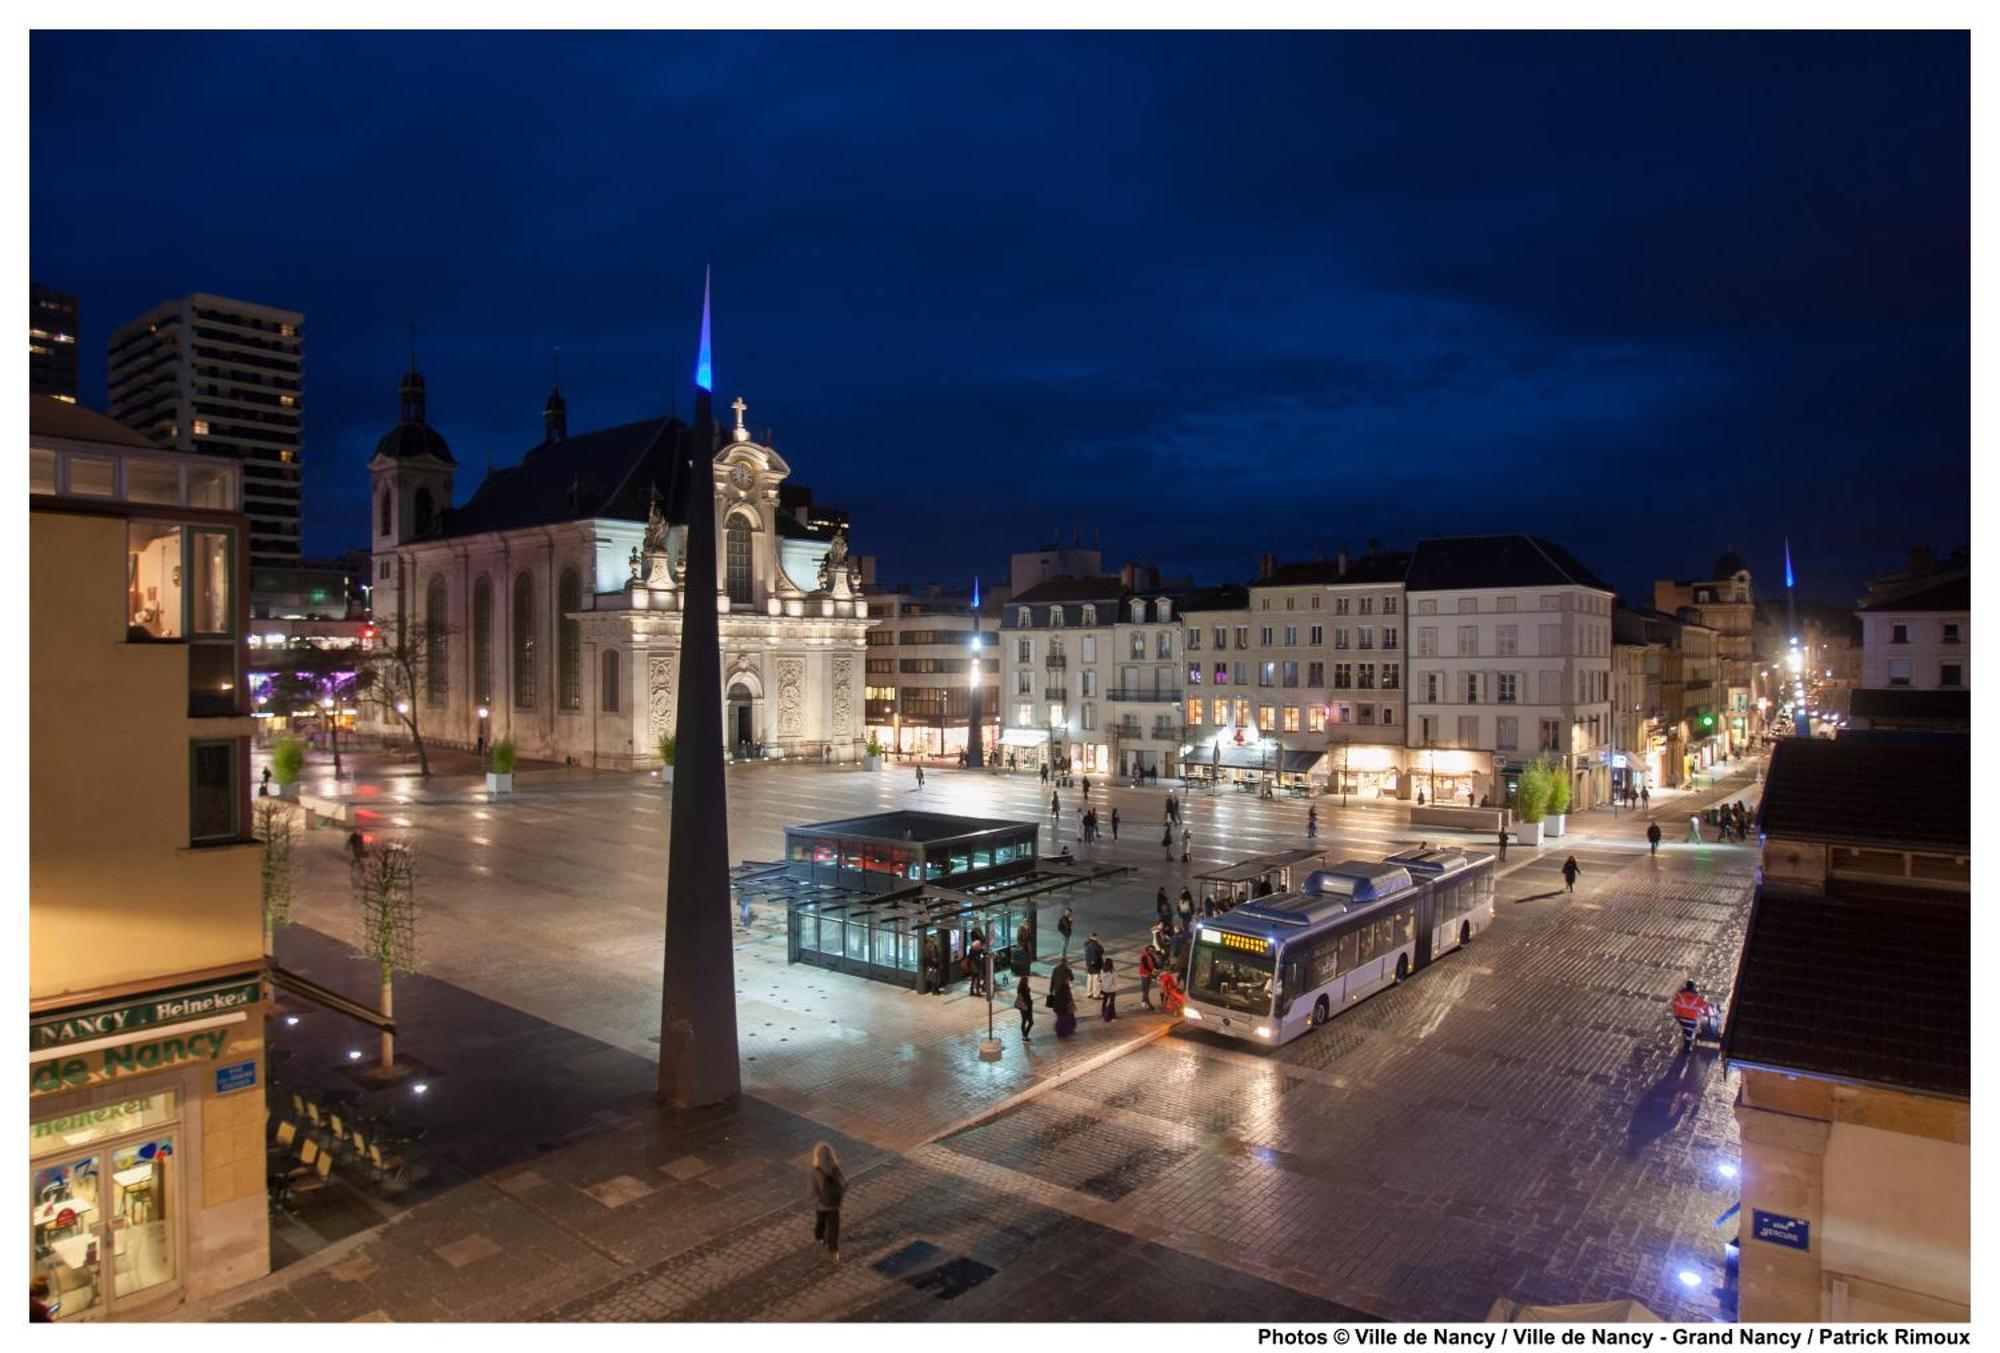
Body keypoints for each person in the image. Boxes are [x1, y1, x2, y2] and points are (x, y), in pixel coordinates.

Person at [809, 1143, 845, 1261]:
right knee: (834, 1228)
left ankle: (820, 1237)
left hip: (821, 1206)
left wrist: (816, 1203)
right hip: (834, 1205)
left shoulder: (816, 1171)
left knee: (821, 1223)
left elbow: (813, 1190)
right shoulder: (835, 1168)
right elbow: (843, 1183)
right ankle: (834, 1252)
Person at [1672, 980, 1718, 1047]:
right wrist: (1711, 1014)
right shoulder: (1697, 999)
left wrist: (1677, 1014)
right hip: (1691, 1019)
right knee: (1689, 1032)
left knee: (1685, 1029)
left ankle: (1686, 1037)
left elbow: (1675, 1005)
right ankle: (1687, 1045)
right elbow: (1706, 1008)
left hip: (1681, 1018)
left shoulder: (1680, 996)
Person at [1050, 959, 1077, 1038]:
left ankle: (1060, 1030)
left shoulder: (1055, 969)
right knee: (1068, 1013)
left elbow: (1052, 980)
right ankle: (1068, 1028)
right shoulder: (1067, 970)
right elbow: (1072, 978)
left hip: (1057, 995)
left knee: (1060, 1015)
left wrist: (1051, 991)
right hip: (1065, 997)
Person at [1015, 971, 1036, 1040]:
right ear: (1025, 981)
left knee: (1024, 1021)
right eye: (1027, 980)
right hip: (1026, 1007)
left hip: (1023, 1007)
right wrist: (1030, 1002)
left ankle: (1024, 1036)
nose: (1028, 981)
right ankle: (1025, 1036)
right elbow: (1026, 998)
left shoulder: (1021, 988)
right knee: (1030, 1022)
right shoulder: (1023, 989)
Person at [1084, 931, 1105, 999]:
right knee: (1096, 980)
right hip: (1096, 965)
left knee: (1089, 979)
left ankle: (1089, 993)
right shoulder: (1095, 945)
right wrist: (1100, 944)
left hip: (1089, 964)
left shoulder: (1086, 944)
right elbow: (1101, 951)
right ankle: (1096, 994)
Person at [1138, 943, 1158, 1010]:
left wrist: (1157, 968)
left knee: (1146, 990)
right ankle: (1144, 1002)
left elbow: (1155, 963)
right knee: (1146, 990)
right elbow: (1145, 966)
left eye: (1153, 950)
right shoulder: (1144, 957)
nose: (1152, 952)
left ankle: (1148, 1004)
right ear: (1147, 950)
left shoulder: (1151, 956)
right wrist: (1152, 971)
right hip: (1144, 975)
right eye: (1151, 950)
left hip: (1149, 974)